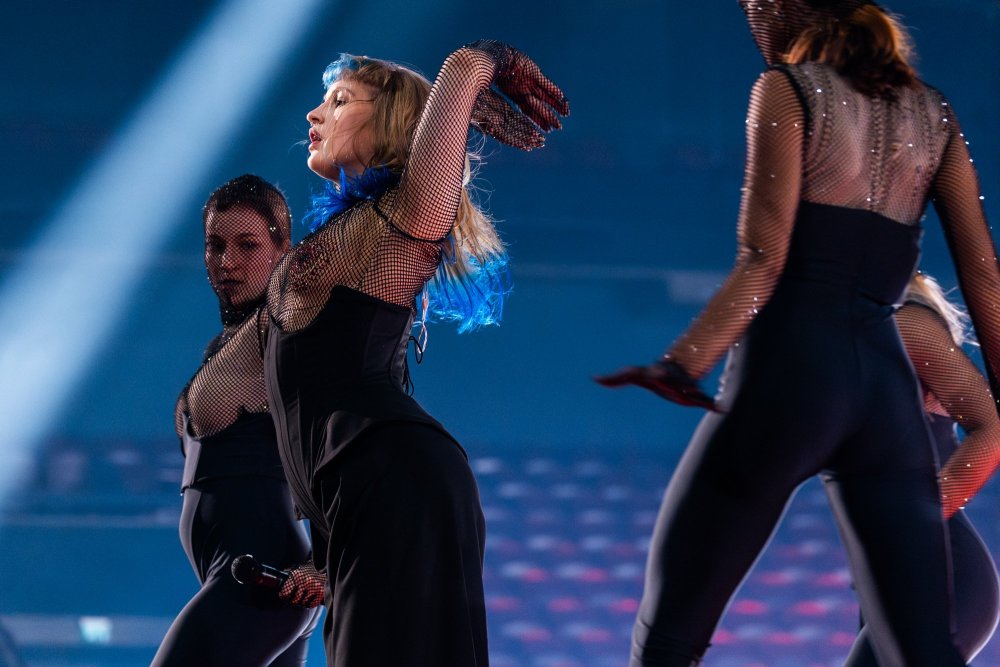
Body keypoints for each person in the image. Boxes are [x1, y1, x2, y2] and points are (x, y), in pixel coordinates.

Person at [596, 2, 1000, 665]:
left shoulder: (787, 90)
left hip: (791, 371)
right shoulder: (936, 113)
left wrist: (684, 361)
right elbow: (982, 269)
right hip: (883, 388)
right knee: (924, 650)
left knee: (669, 631)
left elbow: (764, 258)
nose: (752, 21)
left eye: (755, 6)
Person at [262, 43, 567, 666]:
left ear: (397, 123)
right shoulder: (351, 233)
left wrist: (476, 65)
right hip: (364, 494)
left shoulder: (397, 222)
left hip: (396, 484)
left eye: (340, 101)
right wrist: (324, 548)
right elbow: (312, 406)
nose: (314, 116)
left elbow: (329, 407)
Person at [152, 175, 323, 667]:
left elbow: (343, 445)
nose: (226, 262)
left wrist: (326, 559)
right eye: (215, 246)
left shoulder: (285, 332)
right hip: (253, 584)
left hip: (261, 582)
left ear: (281, 250)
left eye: (247, 245)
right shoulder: (226, 349)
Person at [846, 272, 1000, 664]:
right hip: (891, 571)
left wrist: (914, 528)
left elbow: (992, 428)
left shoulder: (904, 323)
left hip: (943, 572)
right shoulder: (840, 339)